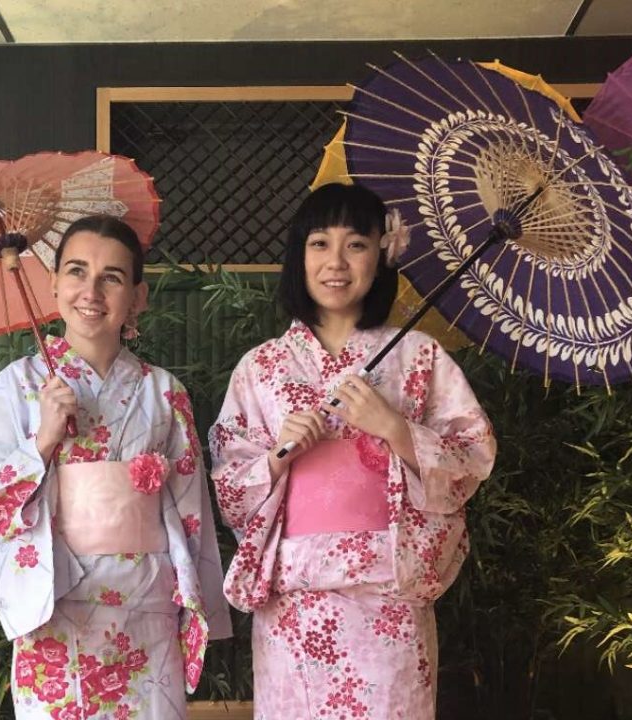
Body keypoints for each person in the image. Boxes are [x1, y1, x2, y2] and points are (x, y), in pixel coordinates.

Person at [209, 183, 496, 719]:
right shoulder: (262, 366)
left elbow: (471, 455)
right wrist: (278, 455)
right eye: (319, 243)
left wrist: (394, 427)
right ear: (299, 256)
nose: (335, 262)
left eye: (356, 244)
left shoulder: (418, 355)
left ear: (382, 255)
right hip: (295, 595)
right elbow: (229, 481)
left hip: (389, 589)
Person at [0, 215, 231, 719]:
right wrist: (42, 441)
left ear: (137, 297)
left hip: (147, 606)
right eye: (76, 271)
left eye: (112, 277)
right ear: (52, 284)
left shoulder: (163, 392)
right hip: (57, 608)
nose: (91, 290)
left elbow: (190, 512)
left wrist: (192, 601)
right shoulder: (17, 386)